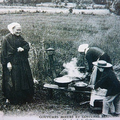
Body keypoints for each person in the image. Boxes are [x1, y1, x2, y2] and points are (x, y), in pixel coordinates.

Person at [1, 22, 34, 104]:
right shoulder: (6, 39)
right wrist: (8, 63)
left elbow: (26, 45)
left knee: (23, 79)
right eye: (17, 30)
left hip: (21, 63)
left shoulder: (20, 38)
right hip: (11, 63)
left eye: (20, 30)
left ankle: (24, 98)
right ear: (12, 29)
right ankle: (12, 99)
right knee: (13, 80)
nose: (19, 32)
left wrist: (23, 48)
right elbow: (3, 52)